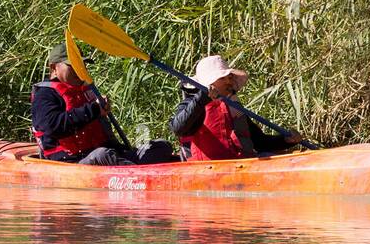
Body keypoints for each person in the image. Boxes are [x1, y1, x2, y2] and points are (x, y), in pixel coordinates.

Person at [31, 46, 175, 165]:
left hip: (105, 154)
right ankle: (142, 176)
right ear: (54, 68)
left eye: (81, 64)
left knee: (161, 146)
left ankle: (134, 168)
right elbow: (52, 126)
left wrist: (122, 150)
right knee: (102, 155)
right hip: (71, 162)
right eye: (71, 65)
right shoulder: (45, 95)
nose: (78, 69)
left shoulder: (86, 91)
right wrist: (94, 109)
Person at [169, 55, 302, 161]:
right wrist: (202, 97)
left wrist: (285, 141)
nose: (228, 81)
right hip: (208, 169)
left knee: (273, 156)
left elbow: (259, 142)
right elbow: (178, 128)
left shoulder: (233, 107)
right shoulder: (193, 103)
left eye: (230, 77)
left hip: (238, 164)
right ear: (208, 82)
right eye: (222, 78)